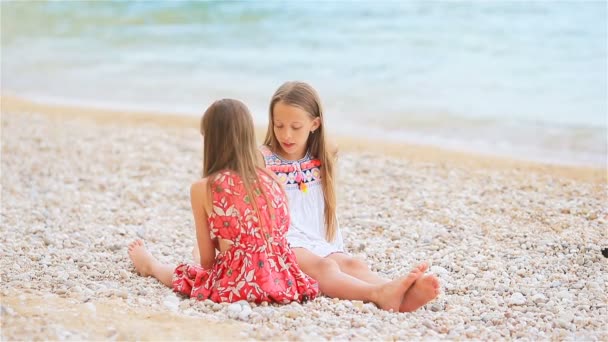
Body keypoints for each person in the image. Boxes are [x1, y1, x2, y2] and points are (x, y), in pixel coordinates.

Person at [259, 81, 440, 312]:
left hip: (314, 236)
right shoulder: (263, 159)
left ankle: (397, 291)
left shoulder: (321, 154)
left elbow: (329, 148)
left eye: (296, 127)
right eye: (279, 125)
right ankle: (378, 293)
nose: (286, 134)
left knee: (352, 263)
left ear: (315, 124)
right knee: (324, 267)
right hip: (281, 239)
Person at [128, 98, 318, 304]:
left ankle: (151, 265)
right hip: (283, 278)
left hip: (240, 284)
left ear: (210, 140)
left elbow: (208, 262)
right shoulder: (272, 178)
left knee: (189, 275)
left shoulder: (204, 187)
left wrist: (217, 249)